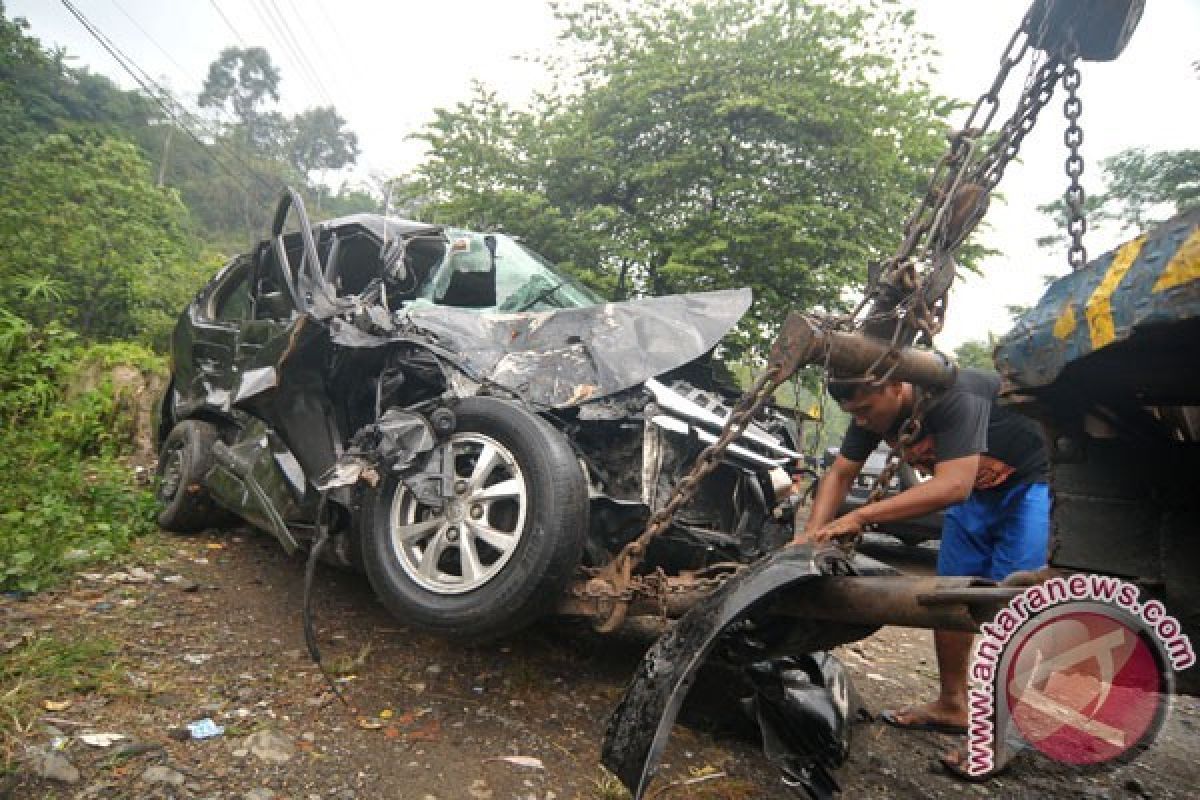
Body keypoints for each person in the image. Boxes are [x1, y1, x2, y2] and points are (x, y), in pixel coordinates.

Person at [794, 367, 1050, 735]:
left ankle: (1000, 730)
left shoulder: (955, 395)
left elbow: (953, 486)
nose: (862, 421)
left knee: (1013, 603)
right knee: (948, 596)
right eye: (855, 415)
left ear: (897, 386)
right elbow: (840, 474)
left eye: (866, 409)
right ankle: (953, 704)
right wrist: (812, 534)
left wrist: (861, 516)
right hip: (978, 496)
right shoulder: (868, 413)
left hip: (1030, 486)